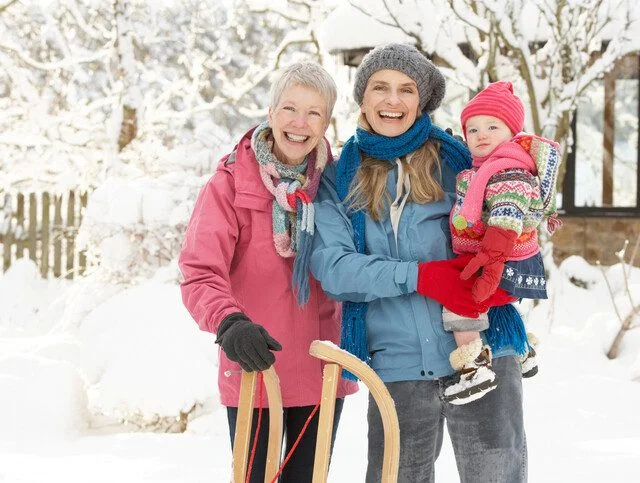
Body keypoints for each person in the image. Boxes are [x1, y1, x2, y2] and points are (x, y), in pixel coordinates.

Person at [309, 43, 528, 482]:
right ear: (363, 97)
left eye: (406, 89)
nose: (393, 100)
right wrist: (420, 276)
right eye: (380, 88)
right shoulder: (340, 175)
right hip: (398, 368)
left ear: (422, 100)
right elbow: (333, 267)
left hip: (480, 353)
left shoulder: (460, 161)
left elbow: (514, 212)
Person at [179, 62, 357, 483]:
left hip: (322, 368)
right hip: (255, 365)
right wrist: (229, 321)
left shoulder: (339, 184)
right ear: (271, 111)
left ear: (327, 121)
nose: (300, 123)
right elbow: (199, 272)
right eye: (290, 108)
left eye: (314, 112)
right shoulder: (229, 184)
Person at [442, 81, 561, 404]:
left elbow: (506, 218)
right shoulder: (488, 167)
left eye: (493, 126)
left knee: (460, 300)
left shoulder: (509, 170)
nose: (481, 135)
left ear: (512, 133)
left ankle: (473, 367)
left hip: (500, 257)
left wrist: (492, 263)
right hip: (503, 257)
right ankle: (523, 349)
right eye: (473, 128)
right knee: (496, 305)